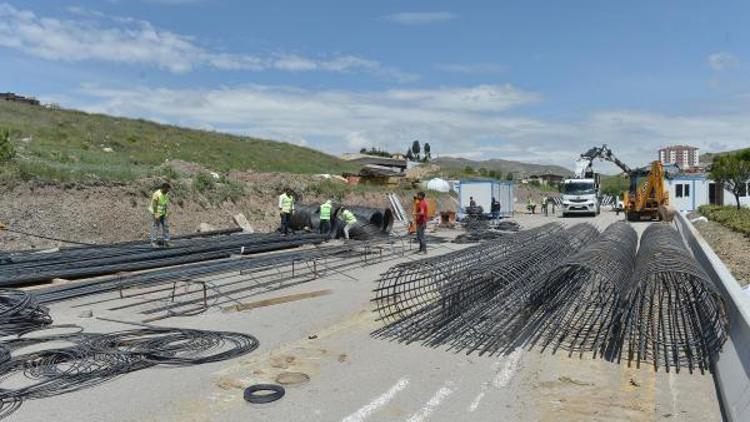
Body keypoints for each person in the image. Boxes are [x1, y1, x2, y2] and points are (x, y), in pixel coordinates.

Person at [149, 182, 171, 247]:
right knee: (156, 227)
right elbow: (154, 205)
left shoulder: (166, 194)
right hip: (156, 212)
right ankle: (153, 242)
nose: (168, 191)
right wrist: (156, 214)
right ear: (163, 188)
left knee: (166, 226)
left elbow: (165, 204)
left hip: (163, 213)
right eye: (167, 189)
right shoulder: (156, 194)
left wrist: (166, 213)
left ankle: (166, 242)